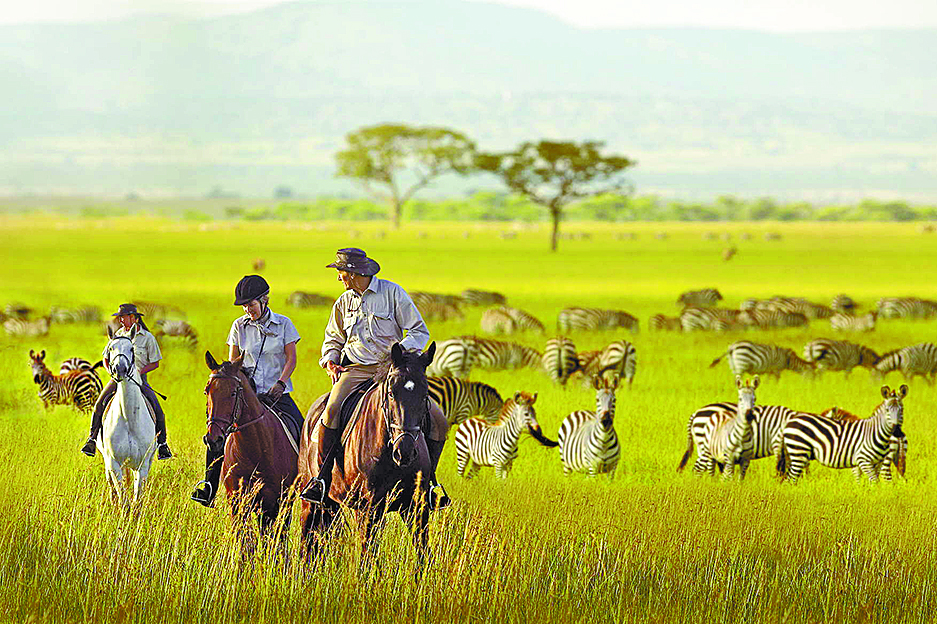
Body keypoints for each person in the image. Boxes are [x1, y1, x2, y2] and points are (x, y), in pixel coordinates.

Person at [301, 248, 450, 508]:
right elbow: (333, 338)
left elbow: (419, 331)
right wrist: (330, 360)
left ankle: (429, 483)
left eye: (340, 272)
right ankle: (321, 480)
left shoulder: (393, 293)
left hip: (392, 369)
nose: (338, 278)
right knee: (331, 411)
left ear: (353, 273)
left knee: (438, 421)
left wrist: (399, 354)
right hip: (356, 370)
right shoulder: (343, 302)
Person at [190, 275, 303, 507]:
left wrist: (281, 383)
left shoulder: (284, 324)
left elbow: (291, 359)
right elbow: (234, 363)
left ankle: (309, 482)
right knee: (217, 433)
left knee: (302, 430)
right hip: (246, 397)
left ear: (264, 300)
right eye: (244, 306)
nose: (247, 310)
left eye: (250, 304)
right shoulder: (238, 326)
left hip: (277, 395)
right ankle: (209, 485)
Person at [81, 303, 173, 460]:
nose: (121, 320)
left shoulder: (147, 338)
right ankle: (92, 440)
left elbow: (155, 363)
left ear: (134, 318)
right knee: (99, 404)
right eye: (120, 318)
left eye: (123, 317)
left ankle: (162, 445)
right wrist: (110, 370)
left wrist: (138, 372)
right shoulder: (118, 334)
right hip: (118, 378)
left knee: (158, 410)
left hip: (139, 379)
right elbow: (105, 358)